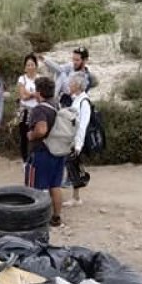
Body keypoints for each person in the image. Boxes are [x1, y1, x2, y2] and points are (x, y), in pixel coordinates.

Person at [25, 76, 66, 227]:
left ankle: (34, 218)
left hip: (42, 152)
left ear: (39, 92)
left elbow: (41, 129)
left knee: (35, 187)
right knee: (55, 185)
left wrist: (31, 135)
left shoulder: (40, 109)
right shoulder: (57, 105)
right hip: (58, 150)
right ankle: (56, 217)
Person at [66, 75, 93, 207]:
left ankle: (76, 197)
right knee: (73, 166)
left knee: (74, 166)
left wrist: (78, 145)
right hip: (73, 139)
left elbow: (83, 125)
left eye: (71, 83)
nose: (69, 85)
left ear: (77, 85)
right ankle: (75, 196)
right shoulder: (77, 99)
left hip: (77, 140)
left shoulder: (84, 102)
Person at [16, 54, 41, 160]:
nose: (30, 67)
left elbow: (40, 96)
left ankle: (35, 158)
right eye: (28, 65)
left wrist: (29, 94)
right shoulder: (22, 79)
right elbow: (22, 96)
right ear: (25, 67)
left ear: (36, 66)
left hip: (37, 111)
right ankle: (25, 160)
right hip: (25, 111)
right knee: (24, 136)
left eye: (32, 64)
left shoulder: (40, 78)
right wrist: (33, 94)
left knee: (37, 135)